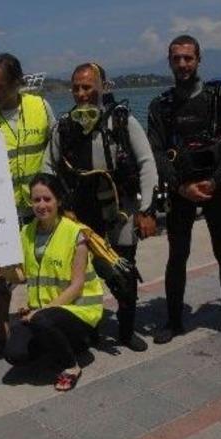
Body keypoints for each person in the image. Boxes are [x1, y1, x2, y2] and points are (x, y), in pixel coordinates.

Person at [147, 35, 221, 347]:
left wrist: (216, 180)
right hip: (181, 191)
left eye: (188, 58)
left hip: (215, 187)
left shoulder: (218, 96)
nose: (182, 64)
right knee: (177, 256)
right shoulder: (161, 105)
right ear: (169, 61)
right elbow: (155, 151)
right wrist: (181, 186)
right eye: (177, 58)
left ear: (198, 60)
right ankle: (173, 320)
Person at [49, 62, 158, 351]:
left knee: (124, 272)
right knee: (84, 276)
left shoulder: (121, 121)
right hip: (81, 215)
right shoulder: (64, 126)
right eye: (76, 88)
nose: (81, 93)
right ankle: (89, 329)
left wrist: (146, 210)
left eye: (87, 87)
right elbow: (49, 169)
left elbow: (147, 163)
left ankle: (125, 330)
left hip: (119, 210)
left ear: (102, 87)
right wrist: (59, 209)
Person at [0, 53, 56, 358]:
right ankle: (2, 330)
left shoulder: (41, 107)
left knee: (44, 267)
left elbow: (55, 148)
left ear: (18, 83)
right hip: (0, 210)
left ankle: (46, 323)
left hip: (39, 207)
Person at [2, 173, 103, 391]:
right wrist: (3, 271)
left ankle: (71, 366)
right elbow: (23, 276)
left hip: (79, 311)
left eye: (47, 199)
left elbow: (76, 286)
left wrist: (40, 313)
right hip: (46, 313)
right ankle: (61, 343)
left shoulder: (75, 233)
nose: (41, 205)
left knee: (40, 322)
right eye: (36, 200)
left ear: (58, 201)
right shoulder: (27, 231)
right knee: (14, 353)